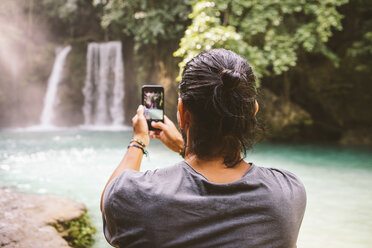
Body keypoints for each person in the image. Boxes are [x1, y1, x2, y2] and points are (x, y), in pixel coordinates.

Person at [101, 49, 306, 248]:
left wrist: (138, 141)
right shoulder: (288, 193)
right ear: (253, 112)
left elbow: (109, 203)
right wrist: (184, 149)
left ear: (182, 113)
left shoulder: (134, 195)